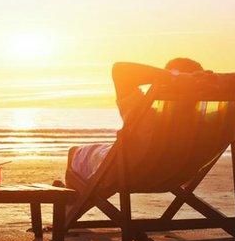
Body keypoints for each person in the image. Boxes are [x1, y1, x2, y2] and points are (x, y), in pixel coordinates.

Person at [58, 58, 206, 185]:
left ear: (164, 83)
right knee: (100, 154)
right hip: (177, 174)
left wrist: (173, 77)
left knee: (74, 152)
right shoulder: (204, 122)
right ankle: (72, 198)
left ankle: (70, 203)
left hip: (130, 170)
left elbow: (120, 70)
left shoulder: (147, 115)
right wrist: (202, 81)